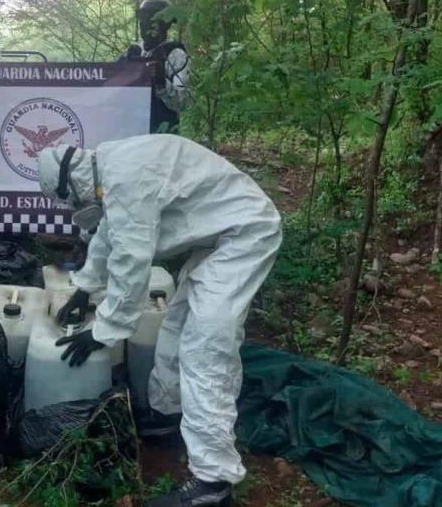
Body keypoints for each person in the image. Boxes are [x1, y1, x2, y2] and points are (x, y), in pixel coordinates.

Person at [38, 136, 282, 507]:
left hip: (244, 236)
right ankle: (169, 416)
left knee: (206, 350)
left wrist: (103, 331)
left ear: (71, 182)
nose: (78, 207)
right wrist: (84, 289)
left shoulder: (122, 178)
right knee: (176, 328)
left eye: (72, 200)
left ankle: (213, 483)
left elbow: (131, 261)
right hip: (218, 239)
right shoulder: (110, 167)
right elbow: (109, 234)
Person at [121, 0, 191, 134]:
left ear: (166, 25)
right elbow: (108, 87)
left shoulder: (175, 54)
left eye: (151, 20)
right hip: (130, 133)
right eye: (143, 19)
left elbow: (183, 102)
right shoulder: (132, 52)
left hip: (162, 134)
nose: (145, 24)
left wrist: (161, 83)